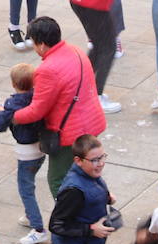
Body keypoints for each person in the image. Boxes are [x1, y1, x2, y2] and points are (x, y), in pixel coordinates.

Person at [11, 17, 108, 197]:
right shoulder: (77, 51)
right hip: (92, 123)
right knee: (85, 173)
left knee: (58, 180)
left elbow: (37, 110)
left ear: (40, 44)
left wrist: (12, 115)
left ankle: (70, 219)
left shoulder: (47, 69)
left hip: (70, 134)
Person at [0, 62, 49, 244]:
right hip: (41, 148)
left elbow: (0, 126)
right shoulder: (38, 98)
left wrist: (0, 112)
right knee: (29, 182)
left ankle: (38, 227)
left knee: (26, 188)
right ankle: (29, 214)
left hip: (26, 153)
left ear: (13, 84)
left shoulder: (13, 103)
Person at [69, 0, 124, 114]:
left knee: (98, 45)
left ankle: (81, 89)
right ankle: (96, 96)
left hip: (81, 3)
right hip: (94, 4)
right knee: (108, 48)